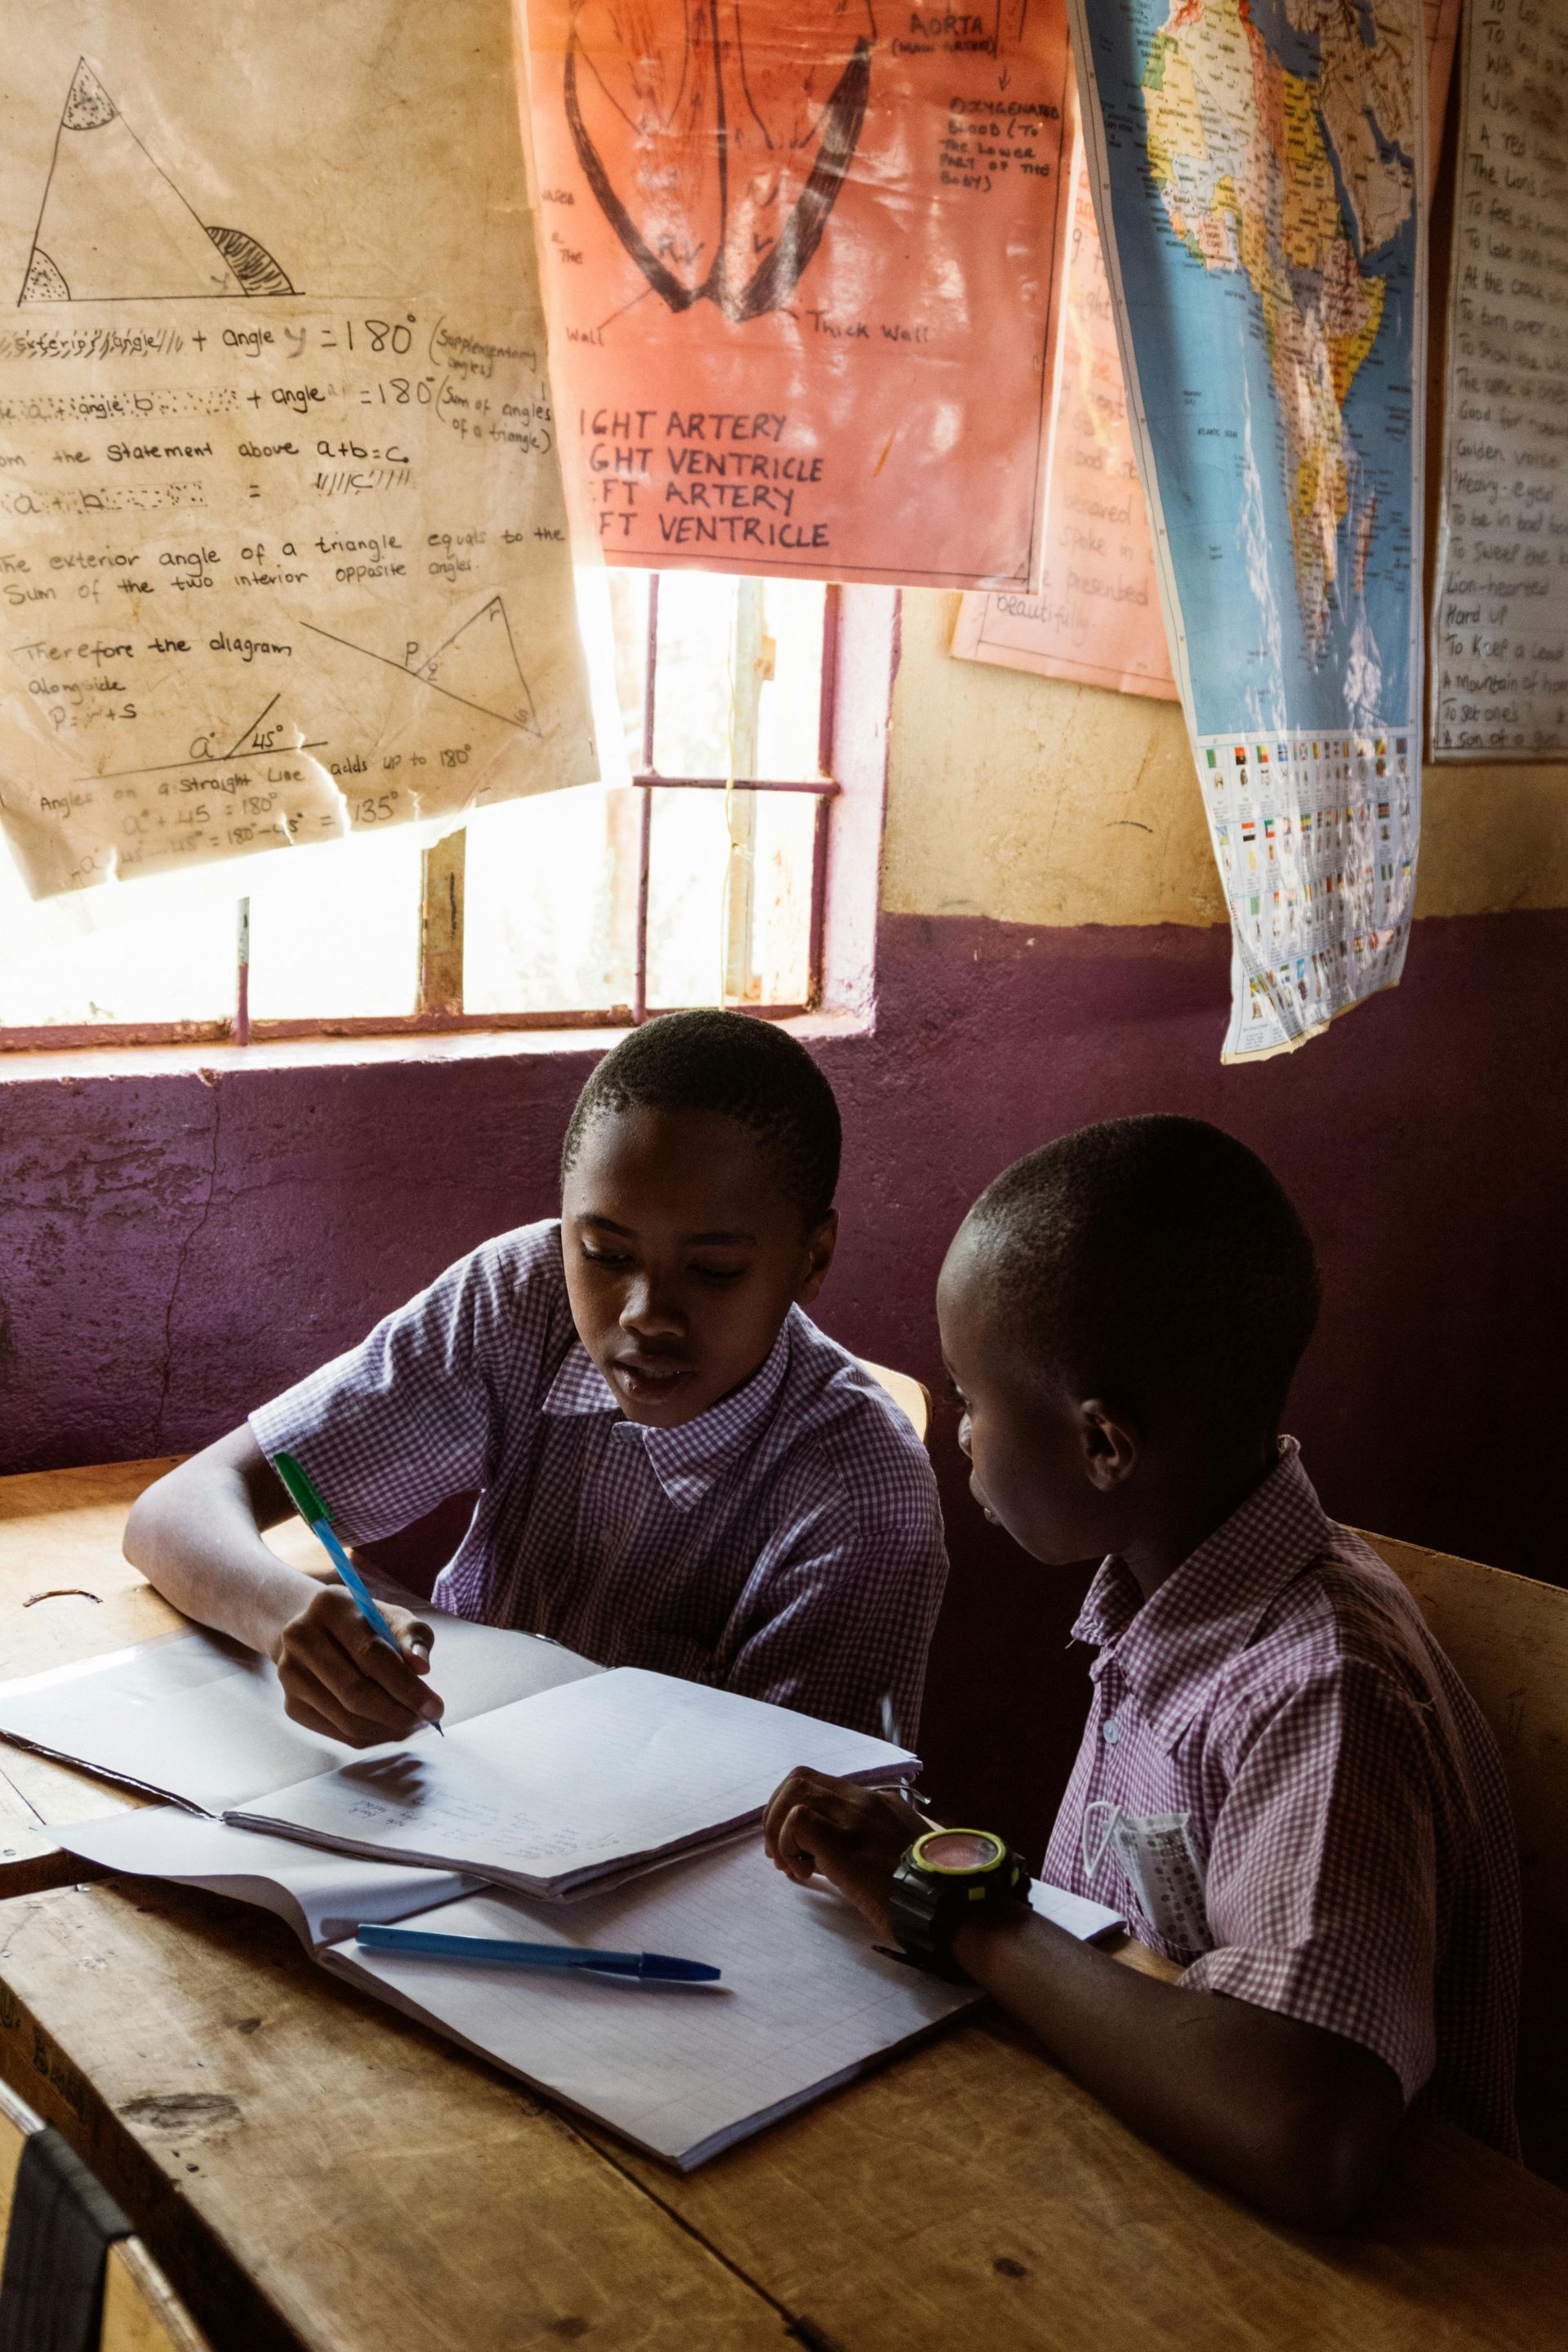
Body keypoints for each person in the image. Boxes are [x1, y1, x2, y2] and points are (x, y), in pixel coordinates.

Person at [763, 1116, 1520, 2230]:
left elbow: (1307, 2125)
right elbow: (1136, 1946)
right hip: (1144, 2181)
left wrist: (962, 1912)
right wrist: (932, 1865)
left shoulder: (1318, 1686)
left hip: (1380, 2274)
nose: (961, 1435)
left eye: (973, 1398)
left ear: (1105, 1447)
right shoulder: (1164, 1603)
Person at [126, 1011, 947, 1749]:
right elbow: (175, 1512)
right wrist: (286, 1617)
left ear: (813, 1258)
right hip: (446, 1791)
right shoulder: (524, 1305)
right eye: (607, 1254)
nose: (647, 1314)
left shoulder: (864, 1501)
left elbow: (793, 1854)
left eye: (715, 1269)